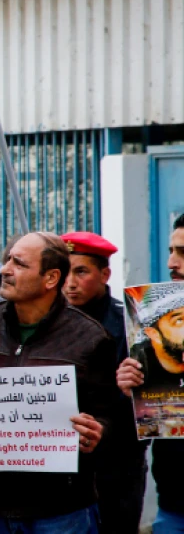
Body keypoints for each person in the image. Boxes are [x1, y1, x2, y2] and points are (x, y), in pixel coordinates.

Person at [0, 232, 119, 533]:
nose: (5, 269)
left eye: (19, 264)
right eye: (8, 260)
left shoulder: (90, 337)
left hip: (61, 510)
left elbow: (110, 416)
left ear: (51, 278)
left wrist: (97, 431)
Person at [61, 231, 146, 534]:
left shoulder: (131, 324)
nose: (70, 283)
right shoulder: (50, 324)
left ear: (105, 274)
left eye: (81, 272)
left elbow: (149, 403)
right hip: (66, 465)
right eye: (65, 272)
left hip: (118, 464)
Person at [117, 214, 184, 533]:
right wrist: (131, 389)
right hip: (173, 504)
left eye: (183, 252)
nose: (171, 262)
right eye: (171, 251)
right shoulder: (152, 327)